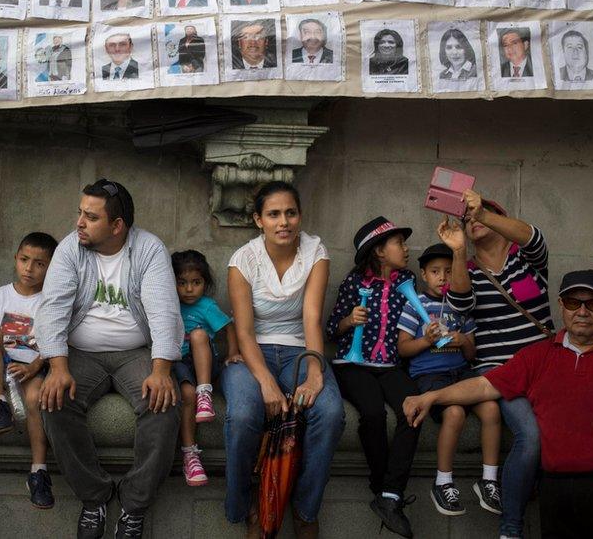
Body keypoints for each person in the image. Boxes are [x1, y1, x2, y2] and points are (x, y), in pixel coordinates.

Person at [404, 270, 593, 539]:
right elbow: (483, 385)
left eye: (592, 303)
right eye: (572, 302)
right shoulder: (538, 356)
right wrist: (431, 396)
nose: (581, 311)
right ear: (561, 305)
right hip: (559, 491)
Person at [34, 179, 181, 539]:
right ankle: (94, 497)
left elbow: (163, 310)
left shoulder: (148, 249)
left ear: (117, 226)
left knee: (164, 406)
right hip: (81, 353)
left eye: (91, 217)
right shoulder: (71, 248)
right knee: (52, 401)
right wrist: (58, 366)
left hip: (136, 353)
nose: (79, 223)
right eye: (80, 213)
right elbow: (52, 307)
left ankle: (133, 505)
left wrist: (161, 370)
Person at [224, 181, 343, 538]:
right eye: (273, 214)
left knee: (331, 412)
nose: (284, 222)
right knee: (244, 414)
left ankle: (304, 509)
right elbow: (244, 333)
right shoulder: (242, 261)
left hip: (298, 350)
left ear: (300, 215)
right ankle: (249, 507)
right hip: (252, 353)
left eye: (290, 212)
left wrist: (314, 372)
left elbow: (311, 318)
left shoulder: (315, 251)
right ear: (258, 220)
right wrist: (265, 382)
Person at [436, 189, 552, 539]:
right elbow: (459, 304)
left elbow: (533, 236)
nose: (472, 220)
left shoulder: (528, 259)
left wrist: (481, 211)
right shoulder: (466, 270)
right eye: (467, 218)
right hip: (499, 371)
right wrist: (457, 252)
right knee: (530, 437)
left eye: (481, 215)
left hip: (545, 368)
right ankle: (510, 529)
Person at [324, 217, 418, 537]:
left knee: (413, 409)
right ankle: (381, 487)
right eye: (399, 244)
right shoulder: (354, 283)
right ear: (379, 251)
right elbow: (331, 329)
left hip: (391, 365)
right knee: (373, 413)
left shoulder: (408, 280)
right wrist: (349, 320)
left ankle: (391, 494)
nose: (405, 249)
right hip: (352, 365)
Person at [395, 243, 501, 518]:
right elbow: (402, 349)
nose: (443, 277)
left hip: (463, 374)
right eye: (435, 271)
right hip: (430, 376)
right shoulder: (413, 304)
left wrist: (463, 339)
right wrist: (425, 341)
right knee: (454, 414)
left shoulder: (461, 305)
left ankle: (489, 479)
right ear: (424, 275)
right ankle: (443, 481)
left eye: (449, 271)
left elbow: (471, 352)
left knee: (491, 409)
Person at [0, 232, 58, 509]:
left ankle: (38, 471)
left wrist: (34, 367)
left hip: (31, 367)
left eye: (39, 264)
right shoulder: (2, 294)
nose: (29, 268)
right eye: (24, 260)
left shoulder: (50, 300)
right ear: (16, 259)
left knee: (35, 399)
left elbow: (53, 343)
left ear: (51, 268)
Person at [170, 250, 241, 487]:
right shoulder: (169, 304)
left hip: (204, 364)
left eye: (196, 282)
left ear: (205, 283)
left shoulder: (207, 305)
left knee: (199, 335)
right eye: (182, 283)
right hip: (179, 364)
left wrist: (232, 352)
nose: (189, 289)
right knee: (186, 395)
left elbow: (229, 327)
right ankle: (190, 455)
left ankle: (205, 393)